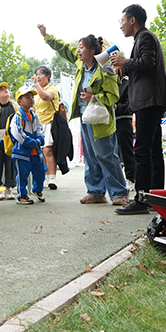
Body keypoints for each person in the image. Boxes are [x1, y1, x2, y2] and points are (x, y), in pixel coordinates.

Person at [40, 25, 129, 206]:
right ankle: (95, 192)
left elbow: (113, 96)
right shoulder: (81, 63)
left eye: (82, 47)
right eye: (78, 47)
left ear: (93, 50)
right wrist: (47, 36)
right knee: (90, 156)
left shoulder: (105, 68)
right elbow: (65, 49)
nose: (78, 50)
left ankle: (120, 193)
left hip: (102, 120)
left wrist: (93, 97)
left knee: (107, 156)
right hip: (85, 117)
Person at [109, 4, 166, 215]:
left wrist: (125, 63)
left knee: (143, 151)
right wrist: (125, 67)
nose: (121, 26)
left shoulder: (145, 37)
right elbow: (145, 65)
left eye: (122, 21)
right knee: (153, 151)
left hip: (148, 101)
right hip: (151, 101)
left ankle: (142, 199)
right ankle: (155, 197)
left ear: (132, 20)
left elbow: (147, 61)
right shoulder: (144, 38)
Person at [9, 87, 45, 205]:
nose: (31, 99)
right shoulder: (17, 116)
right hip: (22, 152)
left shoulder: (35, 116)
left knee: (41, 172)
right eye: (28, 97)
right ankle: (22, 195)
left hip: (36, 152)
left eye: (32, 97)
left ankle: (37, 190)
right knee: (22, 176)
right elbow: (18, 134)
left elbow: (40, 130)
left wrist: (40, 140)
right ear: (20, 101)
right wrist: (33, 142)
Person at [31, 66, 60, 190]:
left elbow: (45, 97)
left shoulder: (52, 89)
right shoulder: (36, 92)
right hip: (38, 124)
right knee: (41, 152)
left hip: (50, 122)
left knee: (48, 150)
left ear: (48, 76)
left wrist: (36, 85)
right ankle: (45, 177)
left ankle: (52, 178)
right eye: (36, 74)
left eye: (41, 74)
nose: (38, 77)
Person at [0, 82, 17, 201]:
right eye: (1, 89)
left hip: (11, 139)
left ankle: (8, 188)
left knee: (10, 164)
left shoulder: (14, 106)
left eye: (6, 88)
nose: (5, 90)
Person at [115, 75, 136, 190]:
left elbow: (130, 106)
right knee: (112, 152)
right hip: (110, 122)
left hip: (124, 120)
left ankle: (131, 178)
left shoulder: (128, 84)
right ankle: (116, 181)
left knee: (127, 151)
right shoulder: (109, 82)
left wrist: (115, 107)